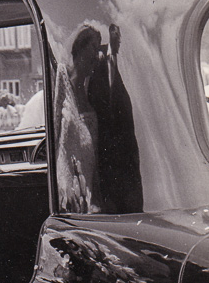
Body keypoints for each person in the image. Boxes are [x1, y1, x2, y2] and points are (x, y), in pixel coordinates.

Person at [88, 23, 143, 213]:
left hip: (127, 153)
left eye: (119, 36)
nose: (119, 40)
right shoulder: (97, 60)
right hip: (107, 154)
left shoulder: (122, 65)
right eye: (116, 35)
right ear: (110, 35)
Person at [52, 22, 102, 213]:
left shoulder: (89, 89)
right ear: (78, 48)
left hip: (91, 188)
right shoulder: (61, 87)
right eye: (93, 48)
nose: (97, 56)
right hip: (73, 192)